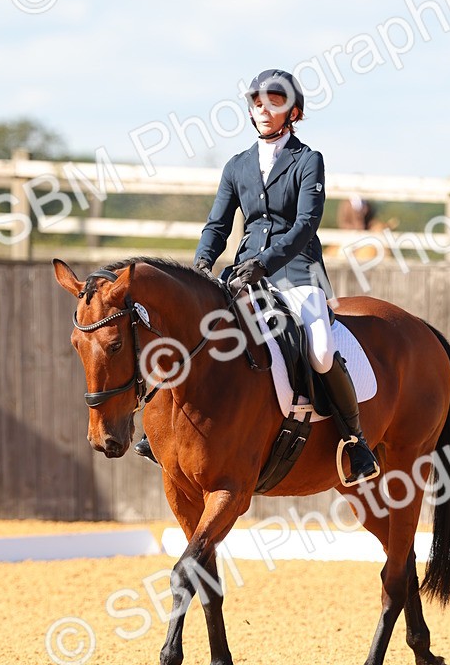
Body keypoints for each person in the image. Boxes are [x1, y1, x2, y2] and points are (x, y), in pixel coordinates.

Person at [134, 68, 380, 484]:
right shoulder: (238, 165)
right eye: (257, 102)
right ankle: (157, 431)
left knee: (319, 349)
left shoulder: (308, 161)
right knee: (193, 331)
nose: (264, 109)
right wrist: (200, 269)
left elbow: (305, 224)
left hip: (299, 273)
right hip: (244, 273)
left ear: (293, 111)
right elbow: (217, 225)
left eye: (275, 101)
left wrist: (266, 262)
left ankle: (354, 440)